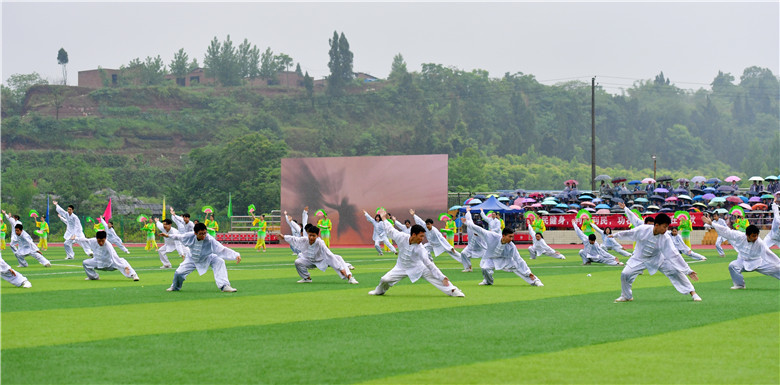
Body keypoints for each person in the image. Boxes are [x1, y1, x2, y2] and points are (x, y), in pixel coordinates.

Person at [368, 210, 464, 297]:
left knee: (436, 277)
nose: (422, 239)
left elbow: (429, 264)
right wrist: (384, 218)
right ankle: (379, 291)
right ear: (413, 235)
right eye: (421, 236)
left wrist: (442, 277)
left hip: (419, 267)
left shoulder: (421, 248)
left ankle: (453, 290)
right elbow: (390, 230)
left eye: (423, 236)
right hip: (401, 267)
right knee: (385, 280)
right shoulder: (401, 237)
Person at [610, 213, 702, 302]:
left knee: (675, 271)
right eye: (664, 227)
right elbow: (630, 233)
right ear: (657, 225)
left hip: (658, 258)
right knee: (625, 274)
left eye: (667, 227)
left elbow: (674, 255)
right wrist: (615, 235)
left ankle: (693, 293)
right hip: (639, 258)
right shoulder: (643, 229)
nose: (666, 230)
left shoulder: (666, 237)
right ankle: (626, 296)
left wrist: (688, 270)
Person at [464, 207, 543, 287]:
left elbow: (519, 259)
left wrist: (528, 272)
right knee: (485, 268)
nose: (511, 239)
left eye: (512, 237)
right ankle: (488, 281)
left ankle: (535, 281)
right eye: (510, 237)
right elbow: (479, 229)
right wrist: (467, 222)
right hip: (491, 258)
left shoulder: (512, 246)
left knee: (519, 268)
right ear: (504, 236)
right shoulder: (491, 236)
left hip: (506, 260)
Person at [702, 215, 780, 289]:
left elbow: (769, 254)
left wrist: (778, 262)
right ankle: (739, 285)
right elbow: (727, 231)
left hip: (758, 262)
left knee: (777, 268)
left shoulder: (760, 243)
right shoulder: (740, 236)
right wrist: (712, 223)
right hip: (742, 261)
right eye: (753, 236)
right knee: (732, 266)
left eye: (756, 235)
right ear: (747, 235)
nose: (755, 238)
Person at [161, 222, 241, 292]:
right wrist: (168, 235)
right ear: (195, 233)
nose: (203, 235)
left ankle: (224, 286)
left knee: (220, 261)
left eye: (204, 233)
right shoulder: (189, 236)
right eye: (201, 234)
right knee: (178, 273)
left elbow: (222, 249)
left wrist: (236, 255)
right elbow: (178, 237)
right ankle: (175, 287)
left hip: (208, 257)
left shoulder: (210, 239)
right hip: (191, 258)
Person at [281, 225, 358, 284]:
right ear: (308, 234)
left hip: (322, 260)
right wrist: (284, 237)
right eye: (310, 235)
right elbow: (294, 239)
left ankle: (350, 277)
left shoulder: (320, 243)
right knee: (298, 261)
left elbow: (329, 254)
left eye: (313, 236)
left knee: (338, 258)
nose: (311, 237)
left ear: (317, 236)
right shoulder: (304, 240)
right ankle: (307, 278)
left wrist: (341, 269)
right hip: (310, 261)